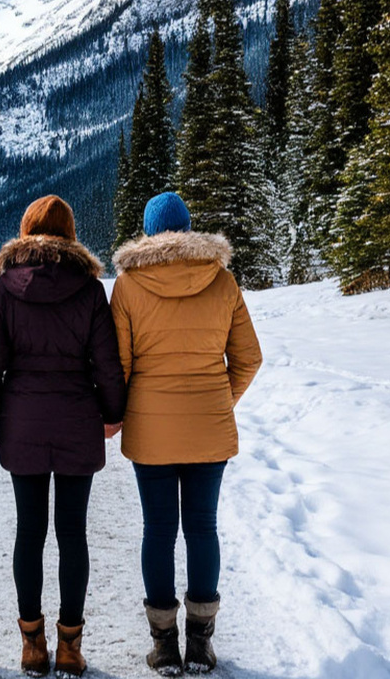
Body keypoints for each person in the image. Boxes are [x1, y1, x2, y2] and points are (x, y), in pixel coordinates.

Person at [110, 192, 263, 675]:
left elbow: (120, 365)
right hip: (208, 428)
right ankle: (200, 644)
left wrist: (133, 409)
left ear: (150, 233)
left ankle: (164, 645)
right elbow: (248, 358)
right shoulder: (222, 280)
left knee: (158, 530)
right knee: (202, 529)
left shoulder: (129, 285)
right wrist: (220, 399)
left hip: (151, 432)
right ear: (189, 228)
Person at [0, 195, 126, 678]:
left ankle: (31, 646)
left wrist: (0, 413)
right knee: (72, 534)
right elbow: (107, 364)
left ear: (25, 232)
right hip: (78, 420)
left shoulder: (4, 288)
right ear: (71, 234)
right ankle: (70, 648)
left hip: (22, 420)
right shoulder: (88, 289)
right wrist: (113, 414)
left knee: (29, 531)